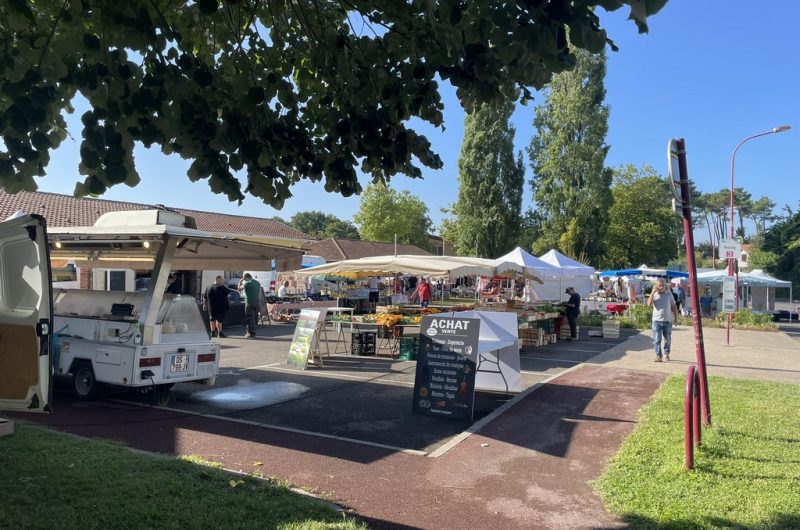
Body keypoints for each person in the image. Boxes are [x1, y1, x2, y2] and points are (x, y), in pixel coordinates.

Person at [647, 278, 679, 362]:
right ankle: (658, 356)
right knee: (657, 339)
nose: (661, 287)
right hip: (656, 321)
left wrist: (676, 318)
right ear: (656, 286)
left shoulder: (669, 294)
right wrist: (652, 293)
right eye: (659, 285)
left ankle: (666, 354)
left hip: (667, 321)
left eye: (663, 285)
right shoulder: (654, 294)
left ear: (665, 285)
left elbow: (674, 306)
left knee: (667, 339)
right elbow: (649, 304)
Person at [239, 273, 261, 338]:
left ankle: (251, 333)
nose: (245, 280)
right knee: (254, 318)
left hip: (249, 303)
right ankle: (252, 331)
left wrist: (240, 281)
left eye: (245, 279)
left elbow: (239, 289)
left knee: (249, 318)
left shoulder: (247, 283)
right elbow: (259, 294)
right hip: (256, 302)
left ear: (246, 278)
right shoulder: (258, 283)